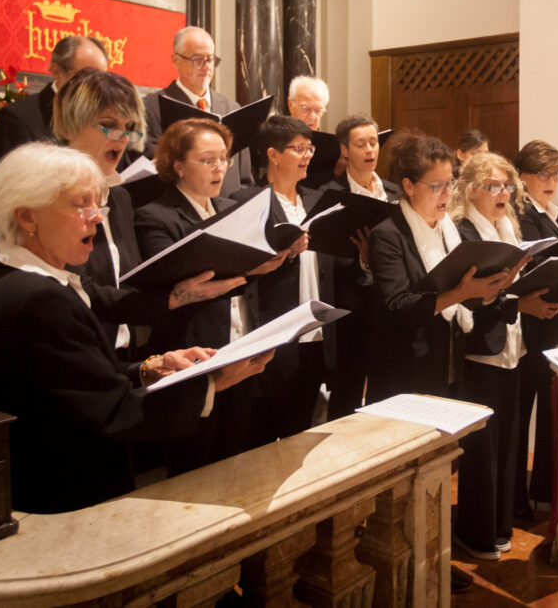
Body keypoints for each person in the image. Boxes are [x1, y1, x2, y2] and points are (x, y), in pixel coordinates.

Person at [0, 143, 272, 514]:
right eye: (80, 204)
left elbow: (83, 376)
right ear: (27, 216)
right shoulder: (37, 296)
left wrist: (150, 367)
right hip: (69, 492)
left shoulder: (27, 281)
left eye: (98, 205)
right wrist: (212, 382)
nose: (97, 218)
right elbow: (111, 410)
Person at [52, 68, 245, 360]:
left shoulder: (118, 196)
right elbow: (78, 289)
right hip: (74, 352)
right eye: (108, 125)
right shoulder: (52, 195)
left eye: (129, 127)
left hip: (126, 353)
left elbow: (128, 280)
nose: (122, 138)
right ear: (69, 126)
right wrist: (173, 298)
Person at [135, 119, 289, 472]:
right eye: (207, 160)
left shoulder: (229, 209)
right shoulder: (155, 216)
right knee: (194, 464)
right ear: (177, 164)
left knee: (235, 459)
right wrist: (249, 266)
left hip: (240, 349)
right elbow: (173, 278)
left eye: (224, 159)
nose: (219, 168)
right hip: (194, 356)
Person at [449, 152, 558, 561]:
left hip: (513, 346)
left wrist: (525, 293)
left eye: (507, 186)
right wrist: (518, 301)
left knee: (509, 444)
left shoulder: (508, 226)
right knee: (482, 448)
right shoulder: (463, 231)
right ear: (471, 190)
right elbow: (473, 301)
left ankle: (499, 525)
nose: (502, 193)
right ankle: (474, 532)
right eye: (492, 186)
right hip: (482, 348)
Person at [366, 133, 511, 403]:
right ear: (409, 186)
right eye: (437, 186)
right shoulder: (389, 235)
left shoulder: (448, 230)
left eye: (450, 183)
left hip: (449, 361)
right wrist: (459, 293)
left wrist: (491, 288)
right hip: (407, 371)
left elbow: (466, 297)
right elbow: (397, 307)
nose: (448, 193)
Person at [232, 116, 321, 445]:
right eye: (298, 149)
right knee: (263, 435)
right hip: (273, 329)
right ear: (273, 154)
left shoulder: (315, 200)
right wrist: (286, 251)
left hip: (317, 332)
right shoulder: (248, 202)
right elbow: (241, 266)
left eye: (309, 148)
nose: (307, 155)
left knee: (303, 431)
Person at [318, 114, 401, 419]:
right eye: (361, 144)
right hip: (351, 311)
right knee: (348, 392)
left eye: (374, 142)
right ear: (344, 150)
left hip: (391, 305)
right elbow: (330, 258)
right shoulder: (331, 196)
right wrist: (364, 259)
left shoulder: (394, 192)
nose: (370, 150)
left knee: (389, 388)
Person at [512, 139, 558, 512]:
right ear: (523, 176)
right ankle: (519, 499)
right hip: (530, 321)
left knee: (552, 411)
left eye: (556, 173)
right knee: (524, 413)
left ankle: (543, 492)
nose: (551, 180)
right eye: (542, 173)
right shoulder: (520, 215)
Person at [142, 26, 252, 194]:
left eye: (210, 59)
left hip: (229, 207)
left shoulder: (232, 108)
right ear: (176, 60)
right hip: (179, 212)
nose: (206, 66)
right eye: (197, 59)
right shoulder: (151, 107)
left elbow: (243, 177)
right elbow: (153, 169)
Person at [0, 36, 109, 164]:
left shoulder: (106, 119)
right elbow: (11, 180)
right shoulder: (18, 119)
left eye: (102, 78)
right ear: (57, 71)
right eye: (88, 77)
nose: (97, 86)